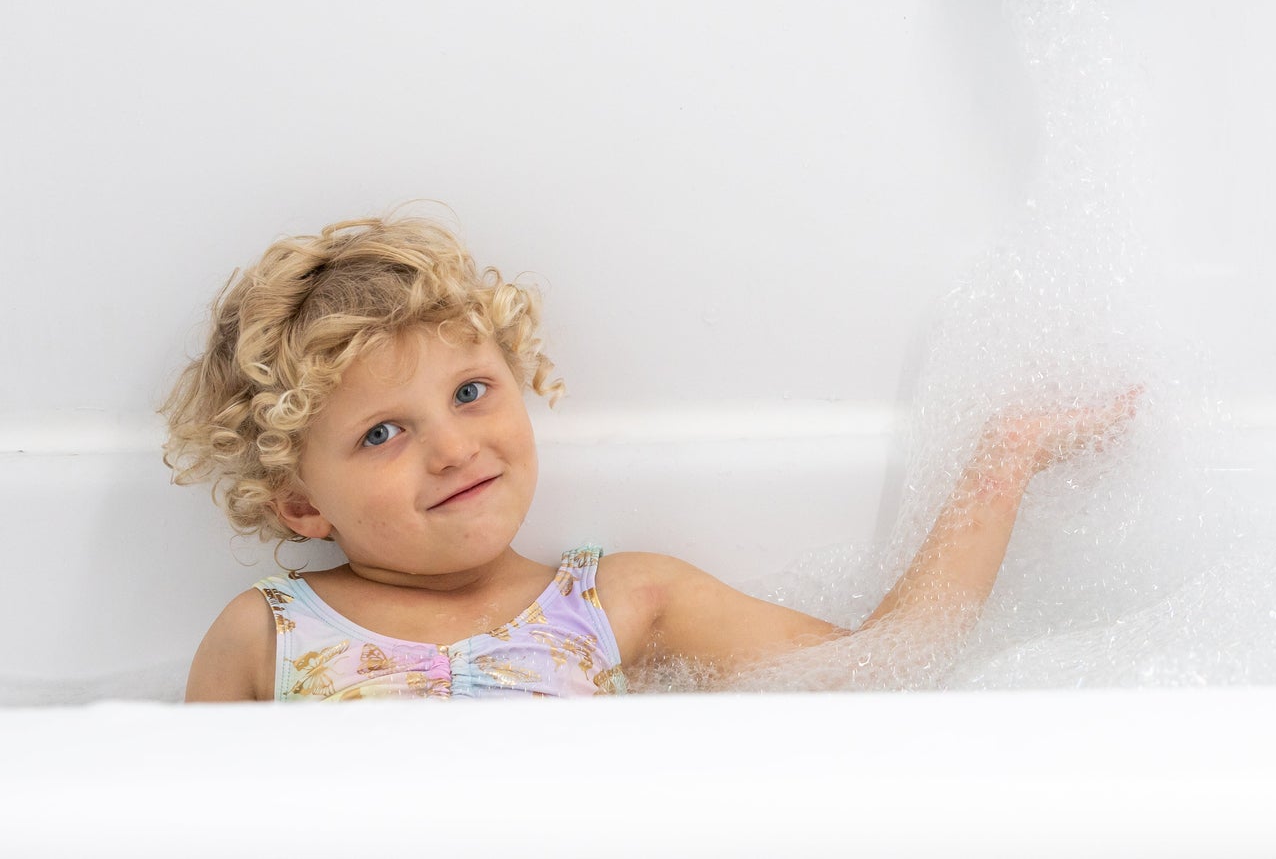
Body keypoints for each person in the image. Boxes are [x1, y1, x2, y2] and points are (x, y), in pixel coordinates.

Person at [163, 211, 1139, 702]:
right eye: (383, 431)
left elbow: (878, 673)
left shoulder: (620, 603)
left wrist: (1002, 455)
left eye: (470, 391)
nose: (453, 445)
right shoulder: (266, 636)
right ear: (300, 504)